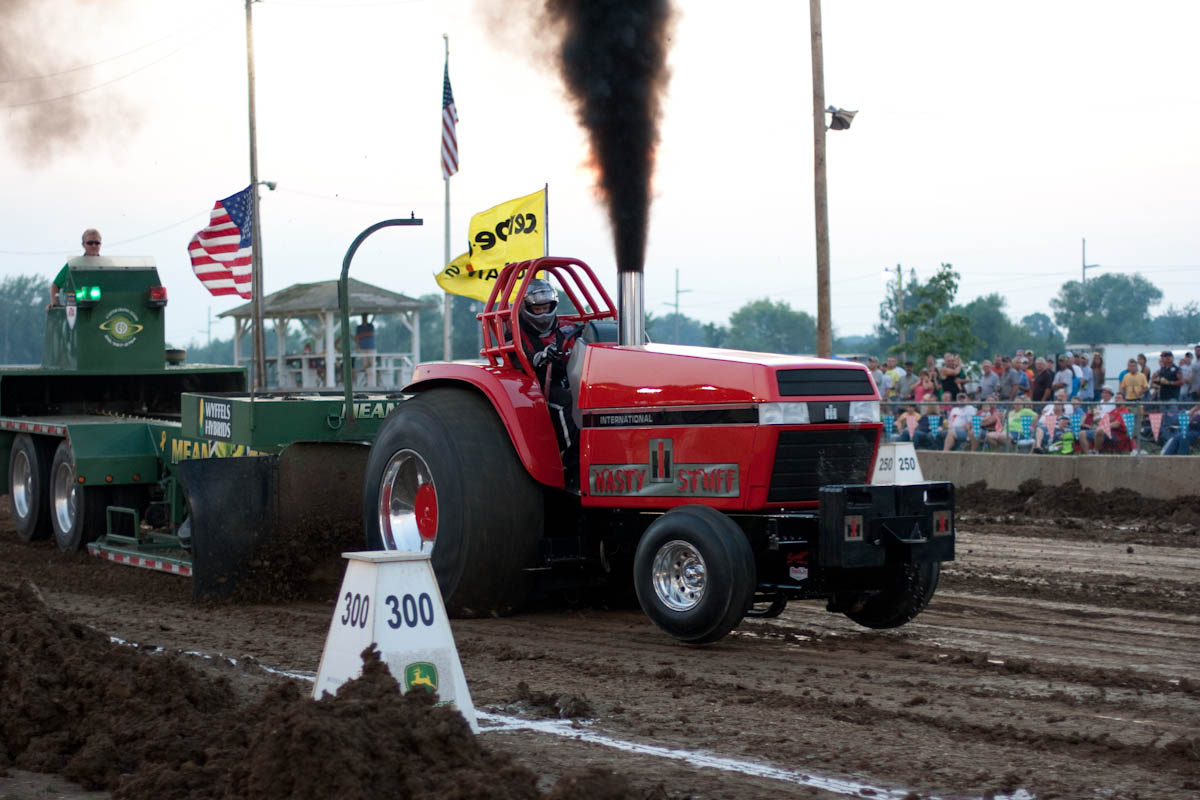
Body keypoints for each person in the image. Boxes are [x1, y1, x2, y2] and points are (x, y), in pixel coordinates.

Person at [512, 278, 582, 487]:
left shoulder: (567, 327)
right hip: (536, 385)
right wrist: (542, 356)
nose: (542, 313)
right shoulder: (515, 332)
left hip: (569, 377)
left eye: (546, 307)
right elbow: (519, 356)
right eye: (537, 308)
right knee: (565, 403)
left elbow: (583, 337)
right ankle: (572, 462)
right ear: (526, 308)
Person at [50, 228, 101, 307]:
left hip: (102, 309)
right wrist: (55, 303)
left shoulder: (109, 265)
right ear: (83, 244)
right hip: (77, 310)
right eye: (90, 243)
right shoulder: (73, 264)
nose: (94, 245)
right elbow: (55, 285)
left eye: (97, 243)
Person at [354, 314, 377, 386]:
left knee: (372, 365)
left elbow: (371, 334)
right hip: (362, 348)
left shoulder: (370, 326)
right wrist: (364, 335)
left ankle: (373, 383)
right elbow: (357, 337)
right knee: (365, 365)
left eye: (365, 317)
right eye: (363, 317)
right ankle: (367, 382)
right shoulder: (359, 327)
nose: (364, 318)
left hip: (371, 348)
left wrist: (361, 335)